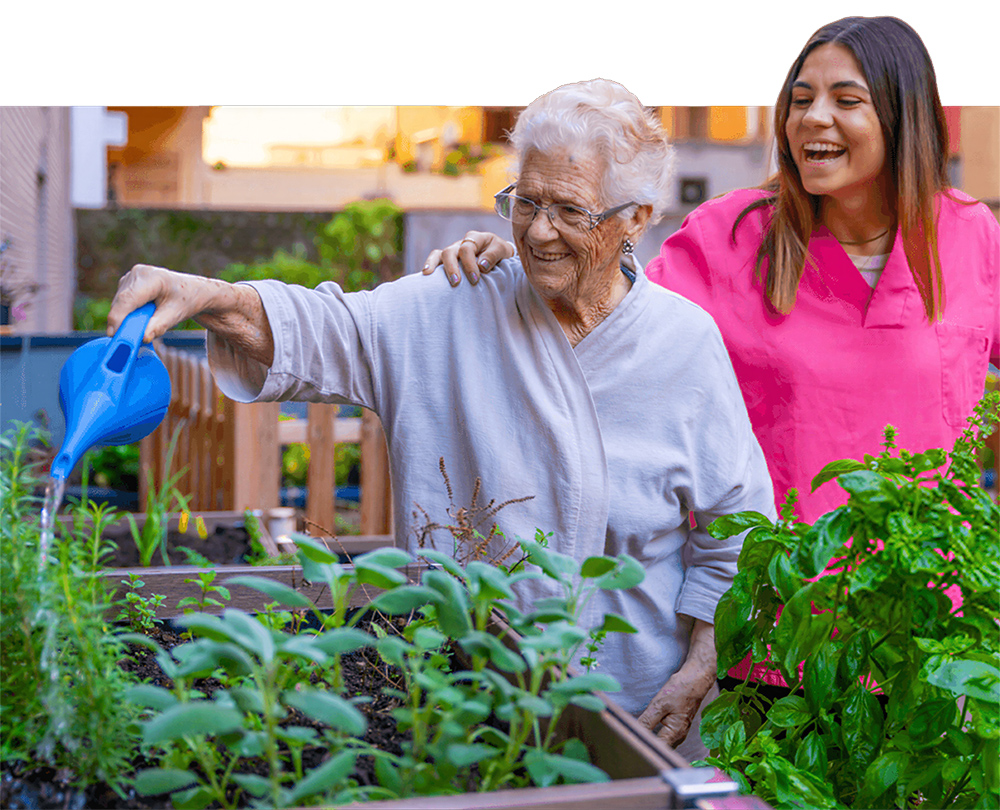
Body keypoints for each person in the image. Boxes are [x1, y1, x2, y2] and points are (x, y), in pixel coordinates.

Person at [106, 79, 775, 757]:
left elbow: (737, 527)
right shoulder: (455, 304)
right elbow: (328, 327)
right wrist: (204, 295)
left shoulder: (683, 344)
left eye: (570, 210)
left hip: (638, 707)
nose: (539, 231)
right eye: (525, 201)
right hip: (462, 706)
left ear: (637, 218)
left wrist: (700, 667)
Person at [421, 16, 1000, 691]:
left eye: (846, 100)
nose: (813, 119)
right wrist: (515, 260)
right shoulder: (730, 235)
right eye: (800, 98)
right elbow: (606, 310)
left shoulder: (971, 235)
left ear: (907, 119)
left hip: (926, 632)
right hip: (774, 627)